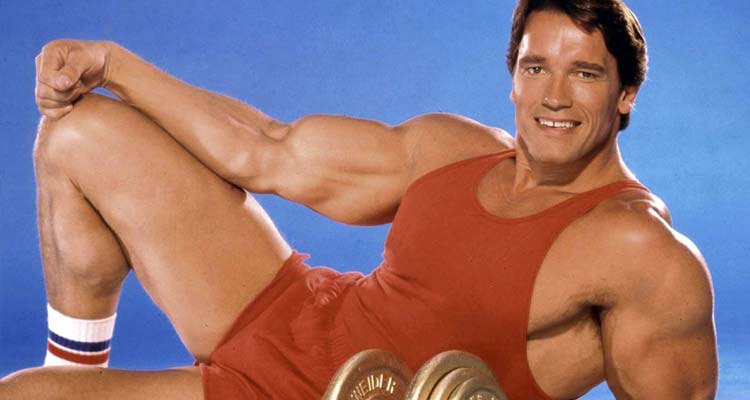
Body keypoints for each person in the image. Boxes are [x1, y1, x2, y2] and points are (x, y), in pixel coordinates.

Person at [1, 0, 718, 398]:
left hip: (331, 394)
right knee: (79, 129)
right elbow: (267, 150)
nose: (553, 96)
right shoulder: (454, 147)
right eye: (536, 68)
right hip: (293, 309)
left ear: (626, 94)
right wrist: (111, 63)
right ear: (513, 78)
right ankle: (76, 374)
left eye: (584, 74)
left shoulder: (639, 252)